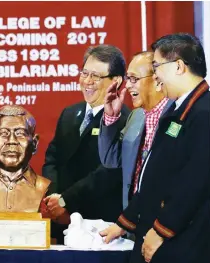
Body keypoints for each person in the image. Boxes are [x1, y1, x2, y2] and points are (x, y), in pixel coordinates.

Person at [100, 33, 210, 263]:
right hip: (154, 232)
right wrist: (125, 222)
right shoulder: (176, 112)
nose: (156, 75)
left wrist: (161, 231)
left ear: (179, 66)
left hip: (181, 241)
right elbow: (155, 175)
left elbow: (194, 185)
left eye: (157, 66)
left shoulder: (205, 114)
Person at [42, 44, 130, 243]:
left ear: (116, 81)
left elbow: (107, 173)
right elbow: (52, 158)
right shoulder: (70, 113)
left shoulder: (123, 120)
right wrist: (55, 200)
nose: (87, 81)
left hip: (98, 228)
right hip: (62, 222)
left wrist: (66, 201)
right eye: (85, 73)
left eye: (96, 76)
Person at [98, 51, 173, 210]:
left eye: (134, 79)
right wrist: (111, 117)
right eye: (128, 79)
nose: (127, 85)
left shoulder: (179, 115)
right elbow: (111, 159)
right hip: (132, 220)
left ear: (157, 80)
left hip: (165, 220)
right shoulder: (136, 116)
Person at [0, 105, 51, 212]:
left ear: (34, 143)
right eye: (3, 133)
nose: (11, 140)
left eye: (20, 133)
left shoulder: (43, 186)